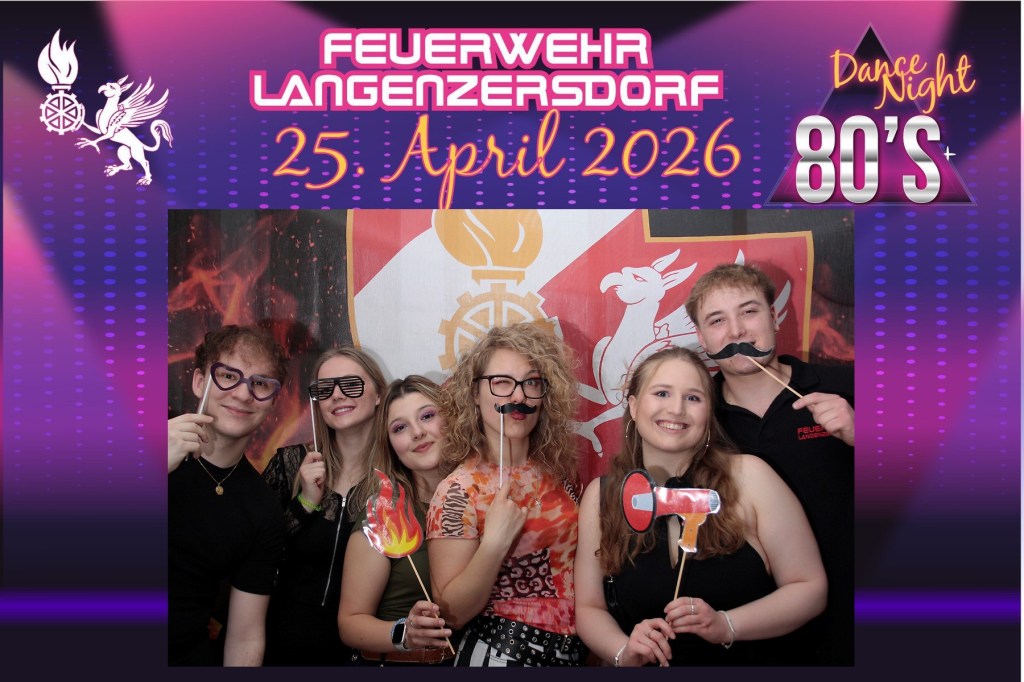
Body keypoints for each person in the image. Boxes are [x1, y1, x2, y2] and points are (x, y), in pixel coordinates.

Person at [575, 346, 827, 666]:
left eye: (693, 398)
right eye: (662, 393)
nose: (676, 409)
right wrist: (624, 651)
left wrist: (726, 625)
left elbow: (809, 589)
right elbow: (589, 608)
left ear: (709, 412)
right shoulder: (603, 496)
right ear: (634, 407)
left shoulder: (750, 478)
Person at [684, 262, 854, 664]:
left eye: (749, 311)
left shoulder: (846, 387)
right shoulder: (694, 418)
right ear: (702, 337)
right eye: (717, 320)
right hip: (751, 633)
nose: (736, 331)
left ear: (774, 317)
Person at [427, 322, 584, 667]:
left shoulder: (560, 474)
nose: (518, 397)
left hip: (572, 654)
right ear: (474, 393)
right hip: (499, 653)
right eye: (501, 382)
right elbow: (451, 613)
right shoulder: (458, 491)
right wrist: (495, 543)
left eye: (531, 382)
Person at [168, 324, 288, 666]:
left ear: (272, 401)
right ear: (198, 381)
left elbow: (245, 637)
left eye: (260, 384)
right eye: (228, 376)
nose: (243, 394)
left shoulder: (263, 509)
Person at [260, 346, 386, 665]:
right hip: (279, 648)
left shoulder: (398, 478)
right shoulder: (289, 463)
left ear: (379, 394)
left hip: (358, 657)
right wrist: (304, 503)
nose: (337, 395)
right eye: (324, 389)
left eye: (351, 384)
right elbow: (254, 555)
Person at [339, 376, 457, 666]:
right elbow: (350, 623)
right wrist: (405, 633)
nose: (417, 432)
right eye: (400, 428)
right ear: (390, 445)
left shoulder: (483, 498)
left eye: (427, 416)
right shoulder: (384, 515)